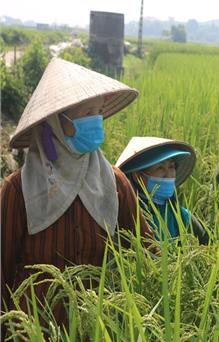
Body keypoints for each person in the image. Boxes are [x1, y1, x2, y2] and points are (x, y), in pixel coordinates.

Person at [1, 58, 151, 328]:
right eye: (85, 113)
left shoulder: (115, 184)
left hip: (97, 327)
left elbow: (146, 254)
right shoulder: (19, 189)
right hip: (35, 329)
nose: (95, 121)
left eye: (98, 112)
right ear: (55, 123)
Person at [116, 137, 209, 245]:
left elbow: (208, 245)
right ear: (138, 176)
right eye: (160, 168)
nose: (169, 175)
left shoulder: (183, 216)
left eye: (171, 167)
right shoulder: (127, 217)